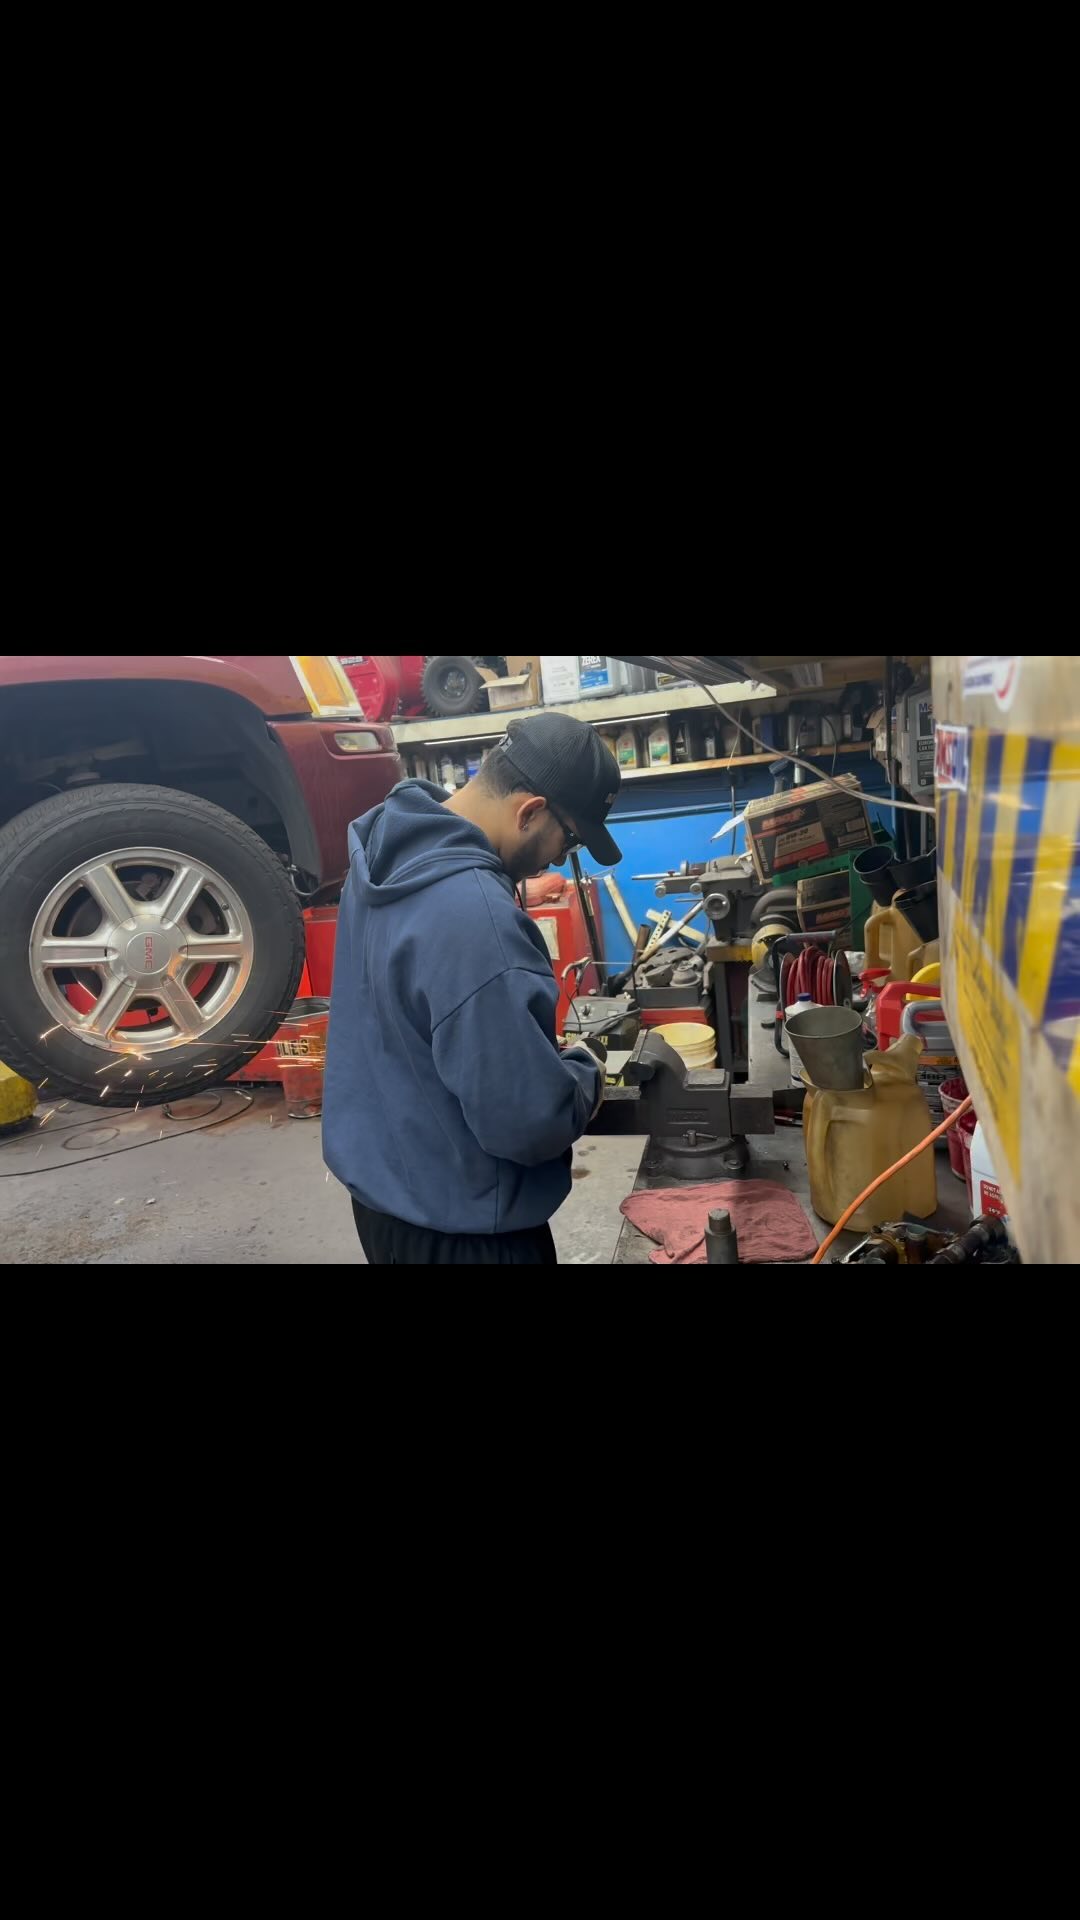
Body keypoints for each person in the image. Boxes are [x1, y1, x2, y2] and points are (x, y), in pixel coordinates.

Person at [322, 712, 623, 1265]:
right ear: (530, 811)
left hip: (386, 1201)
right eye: (570, 839)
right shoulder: (476, 917)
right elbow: (526, 1121)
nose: (560, 858)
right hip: (467, 1232)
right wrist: (586, 1073)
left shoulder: (386, 852)